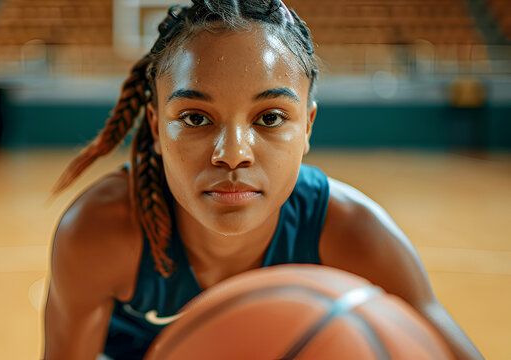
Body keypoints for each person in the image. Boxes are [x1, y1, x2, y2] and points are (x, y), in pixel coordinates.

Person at [43, 1, 483, 359]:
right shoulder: (100, 232)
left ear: (307, 127)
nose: (233, 153)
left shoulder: (354, 233)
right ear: (156, 127)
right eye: (195, 118)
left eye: (270, 117)